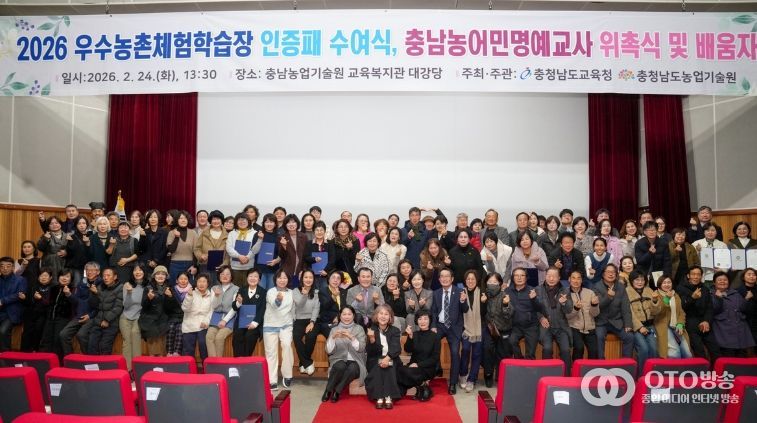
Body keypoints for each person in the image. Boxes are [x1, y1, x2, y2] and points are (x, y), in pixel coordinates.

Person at [431, 267, 469, 394]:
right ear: (439, 279)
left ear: (452, 279)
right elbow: (434, 312)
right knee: (432, 342)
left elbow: (465, 309)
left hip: (454, 327)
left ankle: (453, 383)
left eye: (447, 276)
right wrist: (433, 326)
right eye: (442, 276)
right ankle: (437, 367)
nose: (444, 278)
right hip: (440, 325)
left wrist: (463, 300)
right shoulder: (436, 293)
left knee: (454, 352)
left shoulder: (459, 291)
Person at [322, 305, 367, 403]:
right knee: (340, 366)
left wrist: (352, 338)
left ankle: (336, 391)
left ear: (353, 316)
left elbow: (361, 348)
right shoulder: (334, 329)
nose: (347, 317)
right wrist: (332, 338)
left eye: (349, 314)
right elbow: (329, 351)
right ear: (340, 316)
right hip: (338, 358)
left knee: (353, 369)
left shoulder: (359, 329)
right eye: (344, 314)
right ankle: (328, 390)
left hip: (355, 359)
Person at [676, 266, 720, 363]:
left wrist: (706, 321)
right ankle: (703, 371)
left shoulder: (704, 289)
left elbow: (709, 308)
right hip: (690, 323)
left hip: (704, 322)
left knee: (715, 350)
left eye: (698, 275)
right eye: (693, 274)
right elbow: (681, 308)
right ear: (688, 276)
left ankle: (717, 371)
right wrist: (692, 298)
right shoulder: (680, 288)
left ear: (701, 276)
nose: (696, 277)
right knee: (699, 351)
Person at [365, 304, 402, 409]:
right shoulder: (371, 330)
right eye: (381, 313)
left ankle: (387, 396)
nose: (383, 316)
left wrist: (387, 358)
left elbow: (396, 348)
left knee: (389, 365)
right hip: (374, 359)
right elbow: (370, 352)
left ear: (390, 317)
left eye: (386, 314)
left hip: (392, 358)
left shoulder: (395, 330)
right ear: (376, 316)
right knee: (379, 365)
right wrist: (372, 339)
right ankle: (380, 397)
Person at [397, 310, 440, 400]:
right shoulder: (414, 334)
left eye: (425, 319)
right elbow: (407, 350)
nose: (422, 321)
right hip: (413, 367)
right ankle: (421, 386)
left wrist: (418, 364)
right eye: (420, 319)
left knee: (406, 372)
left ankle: (423, 387)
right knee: (398, 371)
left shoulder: (435, 336)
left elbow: (435, 358)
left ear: (430, 320)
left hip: (427, 368)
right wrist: (410, 337)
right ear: (417, 321)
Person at [593, 264, 634, 359]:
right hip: (601, 322)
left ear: (616, 274)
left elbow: (625, 307)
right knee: (599, 337)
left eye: (613, 272)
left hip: (616, 321)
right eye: (608, 272)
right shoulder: (596, 287)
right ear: (603, 274)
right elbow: (598, 306)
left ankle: (626, 363)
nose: (611, 274)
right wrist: (608, 297)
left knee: (630, 337)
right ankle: (600, 363)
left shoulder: (621, 287)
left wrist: (628, 324)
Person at [263, 270, 295, 390]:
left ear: (288, 280)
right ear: (275, 279)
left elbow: (294, 308)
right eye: (279, 278)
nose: (282, 280)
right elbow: (275, 304)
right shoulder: (271, 291)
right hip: (270, 325)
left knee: (287, 347)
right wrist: (278, 299)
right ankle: (272, 380)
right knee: (271, 353)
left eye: (285, 278)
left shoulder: (292, 293)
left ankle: (287, 375)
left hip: (286, 325)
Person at [711, 271, 755, 357]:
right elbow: (714, 310)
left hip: (740, 332)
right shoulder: (710, 294)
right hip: (723, 332)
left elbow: (742, 309)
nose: (723, 281)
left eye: (725, 280)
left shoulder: (735, 293)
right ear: (714, 282)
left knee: (742, 359)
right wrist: (718, 298)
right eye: (719, 280)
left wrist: (746, 299)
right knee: (728, 359)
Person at [59, 261, 99, 356]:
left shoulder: (101, 284)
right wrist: (69, 294)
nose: (89, 272)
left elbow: (101, 305)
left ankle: (89, 359)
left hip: (93, 316)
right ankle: (70, 358)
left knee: (81, 335)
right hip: (79, 316)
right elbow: (76, 301)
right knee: (63, 334)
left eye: (92, 270)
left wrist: (90, 316)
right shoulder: (81, 283)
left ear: (98, 272)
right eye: (87, 270)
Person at [536, 267, 573, 367]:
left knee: (565, 350)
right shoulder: (538, 289)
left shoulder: (565, 290)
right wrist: (541, 318)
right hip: (546, 327)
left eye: (554, 276)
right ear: (545, 276)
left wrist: (564, 303)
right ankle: (547, 374)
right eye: (549, 276)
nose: (551, 279)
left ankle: (567, 375)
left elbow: (569, 310)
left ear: (559, 278)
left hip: (561, 327)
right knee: (547, 349)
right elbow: (534, 308)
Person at [481, 272, 513, 387]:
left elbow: (509, 315)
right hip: (489, 328)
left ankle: (501, 376)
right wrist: (483, 303)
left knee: (502, 353)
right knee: (487, 349)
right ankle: (488, 374)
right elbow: (481, 314)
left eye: (495, 282)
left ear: (500, 283)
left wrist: (505, 305)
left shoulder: (504, 295)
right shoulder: (484, 295)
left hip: (504, 329)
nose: (492, 284)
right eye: (490, 282)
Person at [626, 269, 662, 370]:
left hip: (650, 326)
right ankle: (642, 374)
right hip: (636, 327)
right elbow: (629, 313)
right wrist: (640, 327)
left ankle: (652, 373)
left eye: (642, 280)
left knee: (654, 350)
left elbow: (656, 312)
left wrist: (655, 301)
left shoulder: (649, 291)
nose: (640, 282)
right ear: (632, 281)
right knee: (644, 349)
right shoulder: (626, 292)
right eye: (637, 280)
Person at [505, 268, 542, 360]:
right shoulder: (507, 291)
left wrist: (534, 299)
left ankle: (528, 366)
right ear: (513, 278)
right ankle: (519, 360)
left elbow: (540, 309)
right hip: (515, 326)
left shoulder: (533, 290)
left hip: (531, 326)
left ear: (526, 278)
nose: (519, 278)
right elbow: (504, 310)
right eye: (516, 275)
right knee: (511, 341)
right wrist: (505, 304)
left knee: (530, 354)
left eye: (522, 275)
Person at [654, 275, 693, 359]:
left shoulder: (675, 295)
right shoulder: (656, 295)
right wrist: (667, 298)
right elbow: (657, 312)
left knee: (687, 353)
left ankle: (688, 367)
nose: (667, 284)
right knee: (675, 352)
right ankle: (676, 367)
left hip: (676, 324)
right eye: (664, 283)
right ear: (660, 284)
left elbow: (681, 312)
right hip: (663, 326)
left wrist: (680, 324)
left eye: (669, 282)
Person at [231, 267, 267, 357]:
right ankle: (238, 360)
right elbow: (234, 307)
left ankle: (246, 360)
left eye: (255, 276)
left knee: (249, 336)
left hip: (255, 322)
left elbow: (262, 310)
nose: (253, 278)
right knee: (237, 335)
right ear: (247, 278)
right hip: (242, 322)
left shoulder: (263, 292)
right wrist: (238, 302)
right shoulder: (241, 290)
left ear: (259, 279)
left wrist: (254, 323)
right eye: (250, 276)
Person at [459, 270, 485, 392]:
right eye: (468, 279)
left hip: (479, 329)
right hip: (466, 329)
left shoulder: (482, 293)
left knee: (476, 354)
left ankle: (472, 379)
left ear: (477, 280)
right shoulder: (461, 292)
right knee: (465, 350)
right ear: (465, 281)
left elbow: (484, 312)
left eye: (473, 279)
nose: (470, 281)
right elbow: (463, 310)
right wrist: (462, 301)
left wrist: (484, 302)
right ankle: (463, 374)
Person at [40, 269, 75, 360]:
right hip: (50, 317)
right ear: (58, 277)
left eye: (67, 276)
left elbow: (76, 304)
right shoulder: (54, 288)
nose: (64, 278)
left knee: (57, 341)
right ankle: (45, 361)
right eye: (62, 276)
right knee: (46, 339)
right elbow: (48, 303)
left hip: (64, 318)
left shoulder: (73, 289)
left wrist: (69, 294)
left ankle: (57, 362)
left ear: (71, 279)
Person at [88, 267, 123, 355]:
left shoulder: (120, 288)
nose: (105, 278)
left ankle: (105, 364)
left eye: (108, 275)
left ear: (115, 277)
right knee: (92, 344)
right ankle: (93, 363)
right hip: (98, 321)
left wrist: (107, 320)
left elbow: (118, 307)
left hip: (111, 323)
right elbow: (93, 304)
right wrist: (94, 293)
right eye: (104, 276)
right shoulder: (100, 287)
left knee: (104, 346)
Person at [566, 270, 600, 360]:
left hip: (590, 327)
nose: (576, 281)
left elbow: (595, 314)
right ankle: (576, 368)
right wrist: (576, 309)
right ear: (569, 279)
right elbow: (566, 316)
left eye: (578, 278)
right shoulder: (564, 294)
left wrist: (594, 305)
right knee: (579, 348)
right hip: (574, 327)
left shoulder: (590, 293)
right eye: (573, 278)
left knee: (594, 351)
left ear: (581, 280)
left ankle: (592, 369)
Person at [206, 266, 239, 357]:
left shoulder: (236, 289)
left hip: (230, 318)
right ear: (219, 276)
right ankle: (213, 362)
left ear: (231, 276)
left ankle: (218, 362)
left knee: (219, 337)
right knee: (209, 337)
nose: (225, 276)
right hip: (215, 317)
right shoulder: (214, 288)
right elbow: (213, 306)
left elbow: (234, 308)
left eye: (227, 274)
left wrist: (225, 320)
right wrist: (216, 296)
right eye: (222, 274)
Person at [293, 269, 320, 376]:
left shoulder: (316, 292)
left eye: (310, 277)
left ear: (313, 279)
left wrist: (312, 322)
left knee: (311, 335)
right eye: (306, 277)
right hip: (299, 319)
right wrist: (304, 295)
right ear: (302, 279)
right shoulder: (295, 291)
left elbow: (316, 308)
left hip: (312, 319)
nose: (308, 279)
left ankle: (303, 363)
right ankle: (308, 362)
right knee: (296, 336)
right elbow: (299, 306)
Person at [119, 263, 146, 371]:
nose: (137, 272)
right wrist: (129, 293)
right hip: (125, 316)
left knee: (135, 336)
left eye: (140, 270)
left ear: (144, 271)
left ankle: (137, 368)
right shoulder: (127, 285)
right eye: (135, 270)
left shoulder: (147, 286)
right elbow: (126, 305)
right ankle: (128, 369)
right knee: (127, 340)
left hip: (139, 316)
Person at [139, 265, 170, 357]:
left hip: (163, 320)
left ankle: (161, 362)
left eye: (163, 274)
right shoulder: (148, 288)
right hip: (150, 320)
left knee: (162, 351)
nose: (160, 276)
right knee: (154, 351)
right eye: (158, 274)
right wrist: (148, 299)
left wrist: (170, 297)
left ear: (166, 276)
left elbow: (172, 308)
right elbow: (144, 306)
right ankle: (153, 362)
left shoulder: (169, 288)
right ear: (154, 276)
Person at [20, 267, 54, 352]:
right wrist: (24, 298)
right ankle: (24, 352)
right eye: (41, 275)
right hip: (31, 312)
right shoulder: (33, 286)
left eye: (45, 275)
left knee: (39, 329)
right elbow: (28, 302)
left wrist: (40, 298)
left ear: (50, 277)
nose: (43, 277)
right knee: (27, 331)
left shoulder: (54, 288)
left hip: (45, 314)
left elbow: (51, 304)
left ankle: (36, 350)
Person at [181, 273, 213, 361]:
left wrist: (206, 322)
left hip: (203, 325)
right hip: (189, 325)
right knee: (188, 350)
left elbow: (211, 312)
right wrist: (189, 297)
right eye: (199, 281)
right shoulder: (191, 293)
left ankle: (205, 367)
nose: (201, 284)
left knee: (203, 345)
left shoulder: (211, 295)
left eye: (204, 281)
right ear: (196, 283)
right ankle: (187, 368)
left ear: (208, 283)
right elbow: (185, 309)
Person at [0, 256, 27, 352]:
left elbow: (19, 294)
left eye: (8, 266)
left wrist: (3, 301)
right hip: (1, 312)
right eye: (2, 266)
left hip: (12, 312)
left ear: (13, 267)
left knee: (2, 331)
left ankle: (5, 355)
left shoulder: (20, 279)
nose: (5, 268)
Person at [194, 210, 228, 284]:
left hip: (221, 268)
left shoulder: (227, 235)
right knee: (205, 286)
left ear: (222, 220)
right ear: (210, 221)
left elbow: (228, 252)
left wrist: (224, 264)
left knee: (219, 288)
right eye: (214, 219)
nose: (216, 221)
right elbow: (197, 248)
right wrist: (201, 256)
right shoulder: (204, 233)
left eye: (218, 219)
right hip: (205, 266)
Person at [635, 221, 672, 288]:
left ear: (657, 230)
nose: (651, 232)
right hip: (644, 273)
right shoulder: (639, 243)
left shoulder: (663, 243)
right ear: (644, 232)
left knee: (659, 291)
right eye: (649, 230)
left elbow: (667, 262)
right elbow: (639, 261)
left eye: (654, 230)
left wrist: (666, 276)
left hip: (659, 273)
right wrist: (649, 253)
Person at [250, 214, 282, 291]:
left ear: (275, 224)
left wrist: (276, 261)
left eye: (271, 222)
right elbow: (254, 251)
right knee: (260, 291)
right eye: (267, 222)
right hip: (260, 269)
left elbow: (281, 254)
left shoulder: (279, 236)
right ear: (263, 223)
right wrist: (260, 239)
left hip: (273, 269)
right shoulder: (258, 234)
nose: (269, 224)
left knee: (271, 292)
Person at [166, 211, 198, 285]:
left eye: (185, 218)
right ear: (176, 220)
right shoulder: (171, 233)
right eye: (181, 218)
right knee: (174, 287)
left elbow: (196, 251)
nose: (183, 220)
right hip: (175, 264)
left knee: (190, 287)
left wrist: (194, 266)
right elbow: (171, 250)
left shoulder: (193, 233)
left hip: (189, 265)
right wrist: (176, 237)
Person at [164, 272, 191, 356]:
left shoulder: (192, 290)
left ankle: (177, 352)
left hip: (185, 316)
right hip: (173, 316)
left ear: (188, 281)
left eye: (185, 279)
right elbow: (167, 307)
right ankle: (169, 352)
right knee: (170, 328)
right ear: (176, 281)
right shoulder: (171, 290)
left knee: (180, 329)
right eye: (181, 279)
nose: (183, 281)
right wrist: (170, 297)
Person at [226, 213, 256, 287]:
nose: (242, 222)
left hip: (250, 267)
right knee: (235, 289)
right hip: (235, 267)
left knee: (248, 289)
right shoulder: (232, 233)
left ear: (248, 221)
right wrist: (239, 256)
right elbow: (229, 248)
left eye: (244, 220)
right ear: (236, 222)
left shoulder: (255, 233)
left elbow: (255, 248)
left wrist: (247, 257)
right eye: (239, 220)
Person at [278, 214, 308, 287]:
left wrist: (303, 270)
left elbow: (305, 255)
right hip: (287, 271)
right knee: (287, 290)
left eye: (293, 222)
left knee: (296, 290)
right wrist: (284, 246)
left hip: (299, 271)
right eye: (288, 222)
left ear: (297, 224)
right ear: (285, 225)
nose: (291, 224)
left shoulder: (303, 236)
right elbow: (281, 256)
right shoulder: (282, 237)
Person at [317, 270, 349, 336]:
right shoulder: (322, 291)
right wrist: (334, 296)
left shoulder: (344, 292)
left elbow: (346, 308)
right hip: (328, 322)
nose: (335, 280)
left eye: (338, 278)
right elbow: (324, 308)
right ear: (329, 279)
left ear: (341, 281)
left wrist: (339, 317)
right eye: (333, 277)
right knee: (336, 336)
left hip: (343, 321)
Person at [304, 221, 333, 291]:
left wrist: (326, 270)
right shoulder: (309, 243)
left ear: (325, 231)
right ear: (314, 231)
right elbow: (306, 257)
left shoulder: (330, 243)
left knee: (325, 294)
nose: (319, 232)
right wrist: (314, 259)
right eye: (317, 230)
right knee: (313, 294)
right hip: (312, 275)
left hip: (325, 275)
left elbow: (332, 259)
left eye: (321, 230)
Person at [330, 219, 360, 284]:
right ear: (337, 229)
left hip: (352, 273)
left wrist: (350, 249)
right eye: (341, 227)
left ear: (349, 228)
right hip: (338, 273)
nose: (343, 229)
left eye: (346, 227)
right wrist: (346, 249)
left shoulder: (355, 240)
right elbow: (334, 259)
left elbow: (355, 259)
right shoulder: (332, 242)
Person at [737, 268, 757, 352]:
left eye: (754, 275)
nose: (752, 276)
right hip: (745, 322)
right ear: (743, 277)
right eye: (749, 274)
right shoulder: (738, 291)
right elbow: (738, 308)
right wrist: (746, 298)